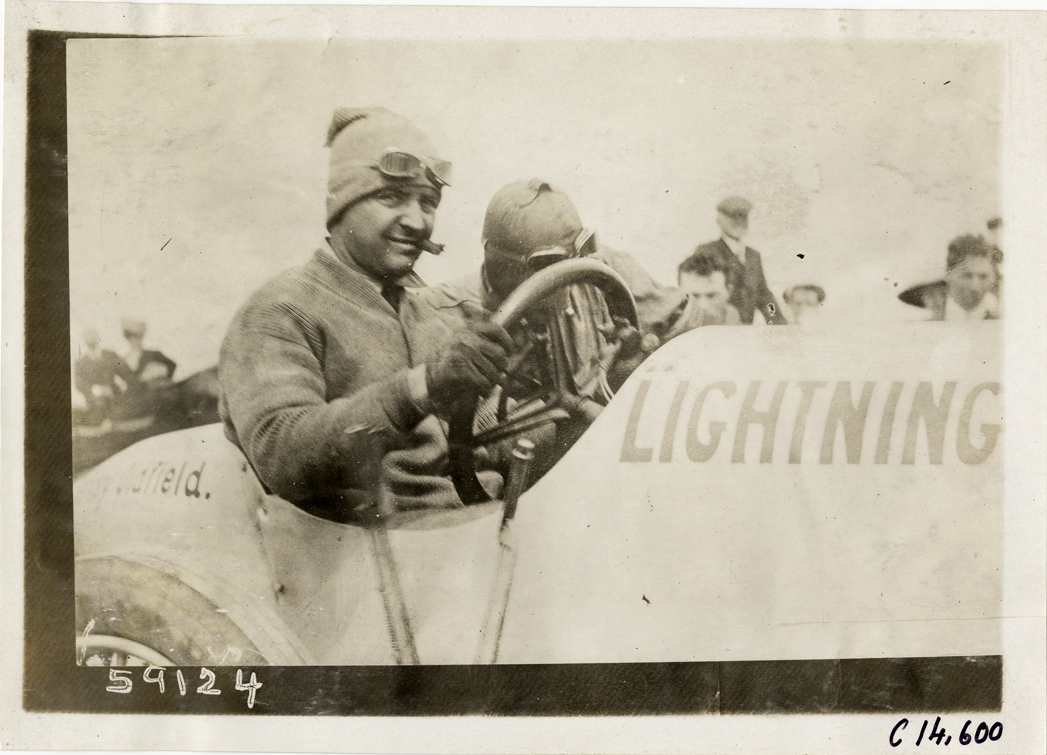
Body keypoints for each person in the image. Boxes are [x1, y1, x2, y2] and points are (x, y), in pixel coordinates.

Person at [218, 107, 513, 518]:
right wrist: (423, 386)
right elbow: (281, 452)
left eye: (428, 202)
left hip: (477, 535)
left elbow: (489, 441)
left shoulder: (437, 315)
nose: (416, 221)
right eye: (391, 197)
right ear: (341, 205)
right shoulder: (279, 311)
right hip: (377, 558)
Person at [418, 178, 720, 348]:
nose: (573, 277)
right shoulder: (441, 315)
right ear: (498, 265)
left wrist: (642, 363)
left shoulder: (607, 274)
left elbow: (698, 332)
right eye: (550, 265)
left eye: (581, 256)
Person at [686, 196, 787, 325]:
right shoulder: (707, 251)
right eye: (732, 217)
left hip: (744, 331)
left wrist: (777, 322)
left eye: (743, 216)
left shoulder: (753, 256)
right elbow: (700, 295)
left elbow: (765, 296)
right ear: (719, 220)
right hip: (718, 328)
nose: (739, 221)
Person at [898, 234, 1001, 321]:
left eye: (983, 276)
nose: (975, 285)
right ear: (948, 275)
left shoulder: (1001, 321)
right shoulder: (922, 323)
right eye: (967, 275)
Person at [114, 317, 179, 426]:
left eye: (139, 337)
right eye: (132, 338)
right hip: (136, 398)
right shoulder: (123, 360)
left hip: (156, 393)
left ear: (142, 337)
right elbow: (127, 381)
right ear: (127, 339)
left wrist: (160, 371)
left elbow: (172, 366)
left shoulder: (153, 354)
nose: (136, 341)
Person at [74, 328, 133, 427]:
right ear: (84, 340)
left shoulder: (110, 355)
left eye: (92, 336)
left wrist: (123, 387)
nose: (90, 340)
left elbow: (126, 373)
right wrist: (96, 390)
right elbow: (79, 383)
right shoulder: (80, 363)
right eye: (87, 337)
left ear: (97, 337)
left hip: (114, 395)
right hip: (95, 401)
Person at [676, 253, 742, 325]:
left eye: (711, 296)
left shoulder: (736, 323)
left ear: (729, 291)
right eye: (694, 296)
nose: (703, 306)